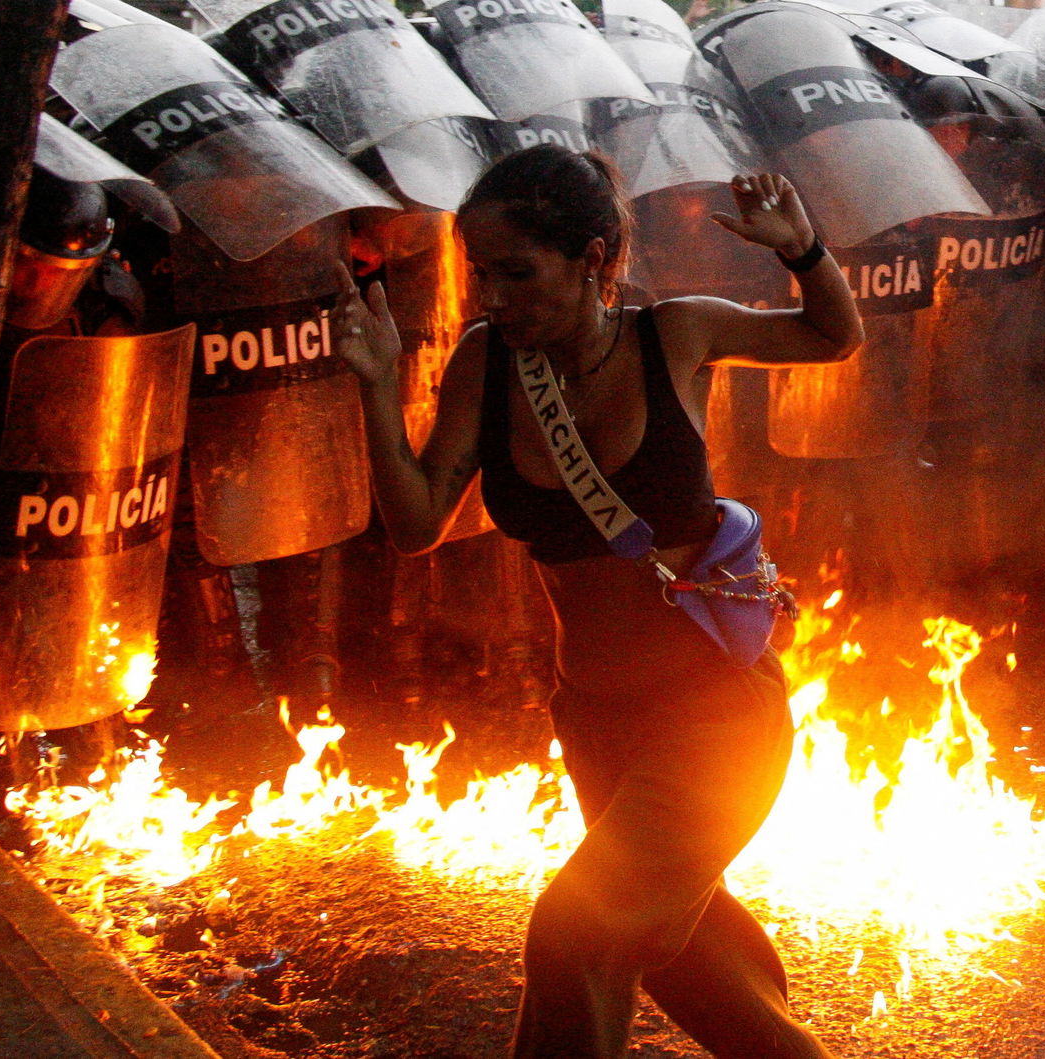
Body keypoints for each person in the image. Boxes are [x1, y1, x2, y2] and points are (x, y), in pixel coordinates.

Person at [333, 144, 861, 1057]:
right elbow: (416, 521)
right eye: (482, 274)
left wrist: (803, 250)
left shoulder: (678, 334)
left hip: (717, 719)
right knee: (684, 955)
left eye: (517, 272)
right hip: (597, 722)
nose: (494, 296)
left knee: (574, 931)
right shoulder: (485, 362)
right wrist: (379, 387)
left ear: (593, 257)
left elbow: (831, 337)